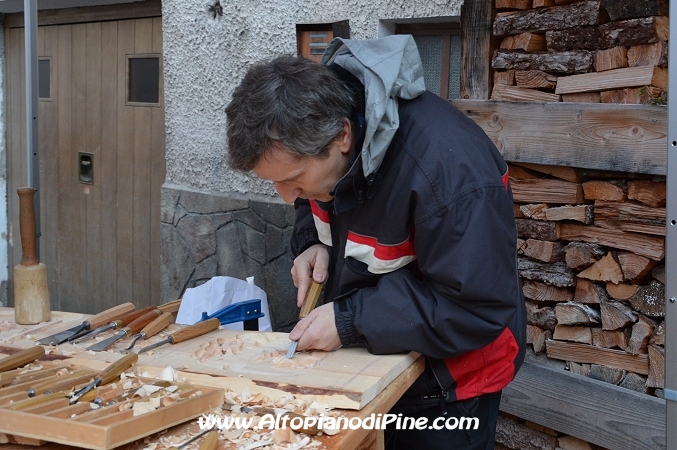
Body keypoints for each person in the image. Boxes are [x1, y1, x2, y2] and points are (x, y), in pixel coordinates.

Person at [225, 35, 526, 450]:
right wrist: (312, 241)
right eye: (275, 183)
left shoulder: (451, 173)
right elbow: (323, 199)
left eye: (292, 180)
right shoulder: (328, 136)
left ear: (343, 136)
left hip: (452, 386)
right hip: (376, 365)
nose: (287, 196)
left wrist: (350, 320)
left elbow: (475, 307)